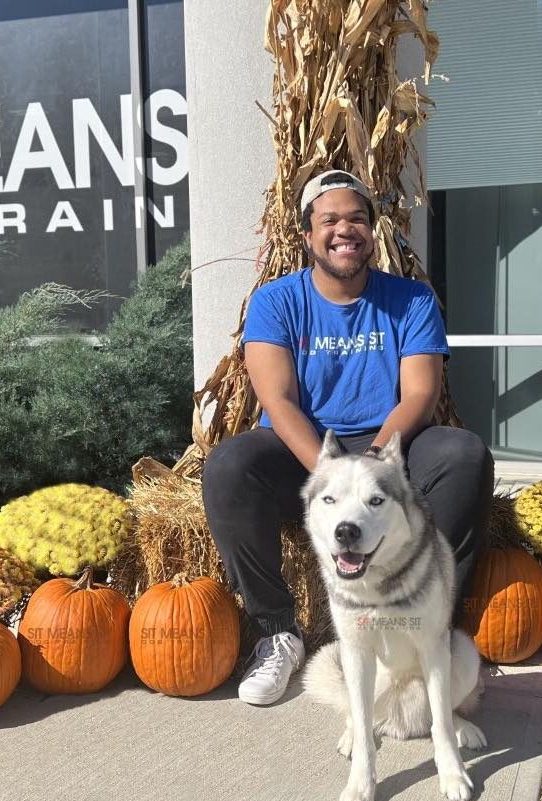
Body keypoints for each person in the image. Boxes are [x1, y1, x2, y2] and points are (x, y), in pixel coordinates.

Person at [202, 170, 494, 706]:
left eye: (357, 218)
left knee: (463, 454)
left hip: (389, 442)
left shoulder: (411, 301)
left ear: (372, 230)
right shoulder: (276, 302)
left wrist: (377, 467)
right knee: (228, 466)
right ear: (308, 235)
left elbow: (419, 395)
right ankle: (277, 632)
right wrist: (333, 474)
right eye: (330, 220)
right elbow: (278, 400)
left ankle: (428, 625)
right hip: (309, 446)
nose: (345, 230)